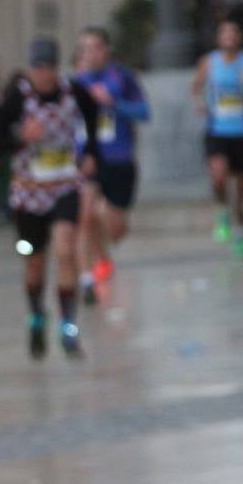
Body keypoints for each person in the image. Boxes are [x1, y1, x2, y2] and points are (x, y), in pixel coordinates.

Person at [0, 38, 99, 359]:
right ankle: (37, 314)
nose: (43, 74)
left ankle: (68, 326)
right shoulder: (17, 98)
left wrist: (90, 152)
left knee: (66, 250)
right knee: (34, 262)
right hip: (28, 191)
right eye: (37, 67)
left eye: (48, 67)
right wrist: (19, 137)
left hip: (64, 184)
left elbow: (93, 116)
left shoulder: (72, 92)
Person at [73, 27, 149, 303]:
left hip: (119, 161)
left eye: (96, 47)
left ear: (106, 49)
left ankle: (105, 253)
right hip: (87, 162)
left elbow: (144, 112)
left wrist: (113, 104)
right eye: (85, 48)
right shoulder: (74, 84)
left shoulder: (122, 78)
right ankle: (86, 280)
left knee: (114, 228)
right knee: (84, 216)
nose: (91, 53)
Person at [191, 19, 243, 255]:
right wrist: (199, 103)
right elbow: (195, 87)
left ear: (240, 36)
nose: (228, 36)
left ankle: (240, 232)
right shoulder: (209, 62)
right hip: (217, 129)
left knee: (241, 189)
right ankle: (222, 210)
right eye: (223, 32)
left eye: (233, 32)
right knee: (218, 175)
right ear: (218, 37)